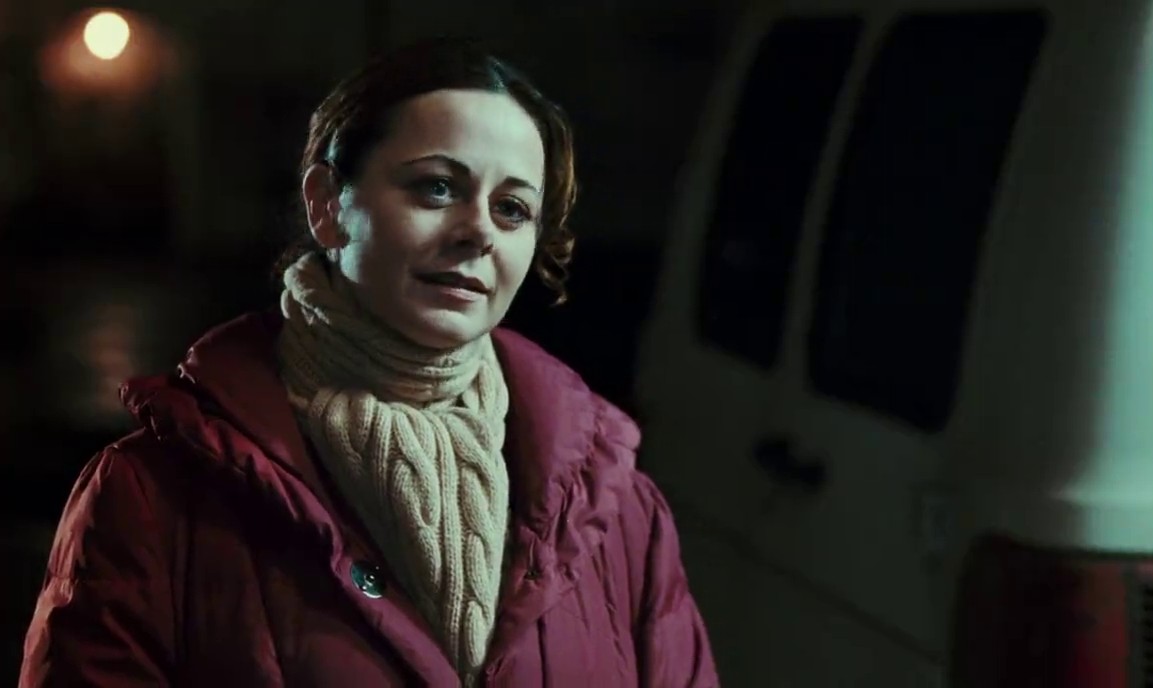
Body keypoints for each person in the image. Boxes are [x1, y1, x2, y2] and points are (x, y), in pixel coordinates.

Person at [19, 38, 718, 687]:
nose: (478, 231)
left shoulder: (618, 511)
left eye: (511, 208)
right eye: (436, 187)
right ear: (326, 205)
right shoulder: (151, 498)